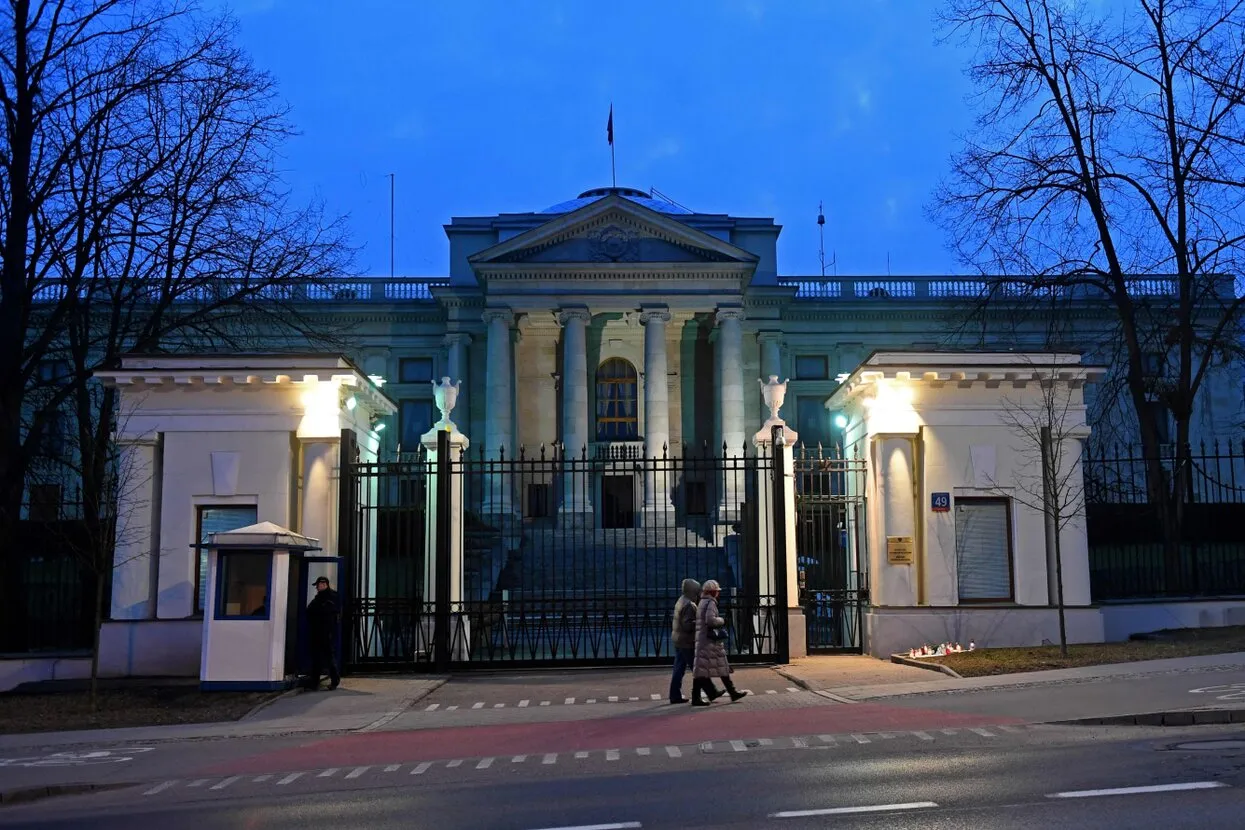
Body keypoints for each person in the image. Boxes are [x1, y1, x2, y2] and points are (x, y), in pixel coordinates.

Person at [692, 579, 747, 706]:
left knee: (703, 669)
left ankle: (701, 696)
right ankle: (732, 693)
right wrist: (721, 620)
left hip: (703, 639)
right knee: (720, 667)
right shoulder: (710, 603)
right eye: (716, 591)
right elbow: (710, 620)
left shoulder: (702, 602)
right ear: (712, 592)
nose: (718, 593)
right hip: (710, 641)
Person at [669, 578, 709, 704]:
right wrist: (700, 622)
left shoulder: (681, 600)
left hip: (678, 639)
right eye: (697, 591)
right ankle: (709, 692)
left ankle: (674, 695)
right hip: (686, 641)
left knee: (679, 669)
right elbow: (687, 625)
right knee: (698, 668)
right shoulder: (689, 605)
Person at [306, 576, 340, 691]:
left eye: (318, 585)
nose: (317, 587)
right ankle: (322, 682)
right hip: (323, 632)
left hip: (323, 632)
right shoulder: (327, 597)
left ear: (324, 584)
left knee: (323, 658)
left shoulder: (326, 598)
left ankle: (319, 682)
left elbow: (313, 611)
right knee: (323, 657)